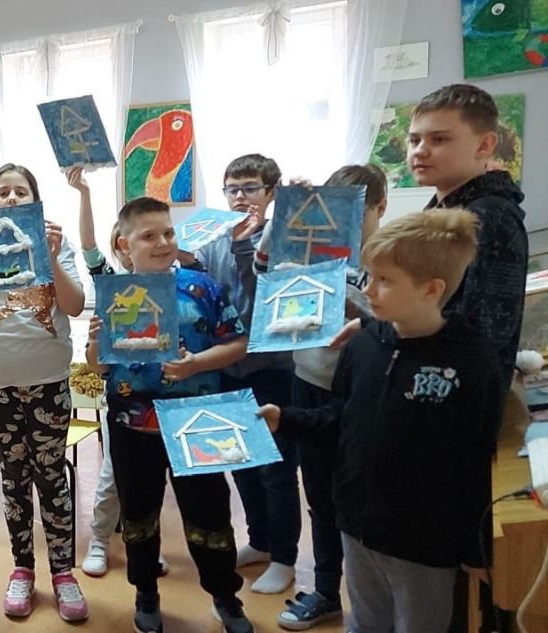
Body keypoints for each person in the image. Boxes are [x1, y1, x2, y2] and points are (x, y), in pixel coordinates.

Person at [260, 208, 504, 631]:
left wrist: (475, 548)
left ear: (432, 289)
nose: (368, 290)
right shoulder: (364, 344)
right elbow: (340, 419)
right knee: (366, 623)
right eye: (370, 276)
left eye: (385, 280)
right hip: (356, 528)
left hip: (424, 544)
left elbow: (475, 460)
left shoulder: (471, 360)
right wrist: (286, 419)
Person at [87, 197, 254, 633]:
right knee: (139, 512)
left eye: (168, 233)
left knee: (210, 510)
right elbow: (99, 368)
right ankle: (146, 591)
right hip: (133, 424)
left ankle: (225, 596)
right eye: (149, 236)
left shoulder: (201, 287)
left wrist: (196, 365)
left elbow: (238, 342)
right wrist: (96, 343)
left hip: (196, 420)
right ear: (124, 245)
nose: (162, 242)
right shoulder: (114, 294)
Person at [251, 165, 386, 629]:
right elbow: (263, 270)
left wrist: (348, 302)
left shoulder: (391, 255)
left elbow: (399, 321)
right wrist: (283, 215)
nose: (342, 221)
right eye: (333, 209)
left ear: (379, 207)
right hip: (309, 379)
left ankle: (376, 601)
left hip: (365, 391)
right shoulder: (313, 243)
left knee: (361, 495)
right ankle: (327, 591)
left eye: (355, 211)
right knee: (319, 494)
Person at [0, 163, 89, 622]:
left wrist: (51, 257)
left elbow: (74, 305)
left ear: (35, 200)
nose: (11, 198)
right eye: (3, 192)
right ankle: (23, 568)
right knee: (13, 477)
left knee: (51, 477)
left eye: (21, 192)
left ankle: (63, 572)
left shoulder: (56, 243)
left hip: (49, 381)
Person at [335, 84, 527, 385]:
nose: (420, 150)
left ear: (484, 145)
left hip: (451, 391)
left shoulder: (490, 217)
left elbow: (483, 329)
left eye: (439, 139)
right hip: (419, 380)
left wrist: (378, 328)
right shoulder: (441, 207)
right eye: (414, 140)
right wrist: (374, 326)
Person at [195, 153, 301, 594]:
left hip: (271, 369)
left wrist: (246, 246)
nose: (240, 197)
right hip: (226, 367)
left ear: (271, 192)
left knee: (276, 468)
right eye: (232, 189)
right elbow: (203, 292)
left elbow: (265, 293)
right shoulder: (211, 239)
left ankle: (285, 557)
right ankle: (259, 540)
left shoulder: (285, 237)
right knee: (239, 461)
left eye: (250, 188)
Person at [66, 167, 166, 579]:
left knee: (153, 482)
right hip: (122, 400)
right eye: (120, 247)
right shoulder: (112, 285)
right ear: (122, 249)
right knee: (113, 474)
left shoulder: (171, 285)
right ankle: (100, 541)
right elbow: (89, 247)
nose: (126, 253)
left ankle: (146, 548)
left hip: (165, 399)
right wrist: (84, 193)